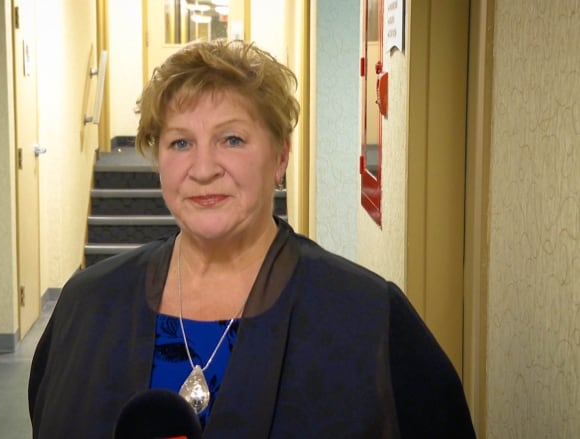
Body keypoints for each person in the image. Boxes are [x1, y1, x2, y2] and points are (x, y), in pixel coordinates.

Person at [28, 39, 476, 438]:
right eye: (181, 143)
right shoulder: (86, 305)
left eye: (232, 139)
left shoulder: (368, 317)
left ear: (280, 156)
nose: (203, 169)